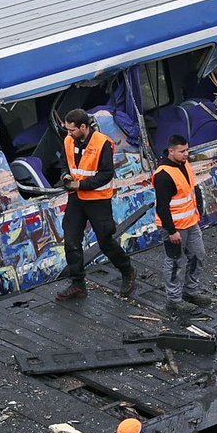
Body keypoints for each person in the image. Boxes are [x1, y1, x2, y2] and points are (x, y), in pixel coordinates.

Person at [56, 108, 137, 301]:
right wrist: (65, 176)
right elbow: (65, 163)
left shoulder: (102, 144)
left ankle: (127, 271)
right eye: (67, 130)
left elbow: (106, 174)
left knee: (105, 240)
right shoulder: (69, 141)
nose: (69, 134)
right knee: (71, 240)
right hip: (76, 199)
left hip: (97, 200)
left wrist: (81, 184)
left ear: (83, 127)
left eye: (72, 130)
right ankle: (78, 284)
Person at [154, 135, 210, 314]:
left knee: (197, 255)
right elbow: (162, 207)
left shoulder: (184, 165)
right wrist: (171, 231)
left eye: (187, 150)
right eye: (182, 151)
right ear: (171, 151)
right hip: (175, 227)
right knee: (175, 262)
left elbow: (191, 191)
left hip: (191, 222)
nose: (186, 154)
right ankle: (174, 300)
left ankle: (190, 291)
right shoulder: (163, 175)